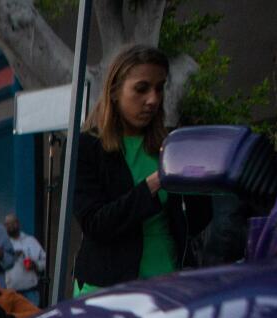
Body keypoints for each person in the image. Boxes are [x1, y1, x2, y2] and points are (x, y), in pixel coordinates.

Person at [74, 44, 211, 293]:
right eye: (141, 89)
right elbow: (94, 223)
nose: (153, 100)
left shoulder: (170, 144)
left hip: (169, 281)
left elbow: (197, 222)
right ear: (114, 91)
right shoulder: (87, 146)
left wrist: (198, 181)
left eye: (160, 88)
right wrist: (152, 185)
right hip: (108, 288)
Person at [2, 213, 47, 304]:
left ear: (18, 223)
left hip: (31, 292)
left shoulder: (30, 240)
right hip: (10, 293)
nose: (10, 226)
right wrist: (12, 256)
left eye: (13, 223)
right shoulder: (3, 244)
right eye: (7, 224)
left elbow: (46, 261)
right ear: (4, 226)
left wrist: (36, 265)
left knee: (33, 317)